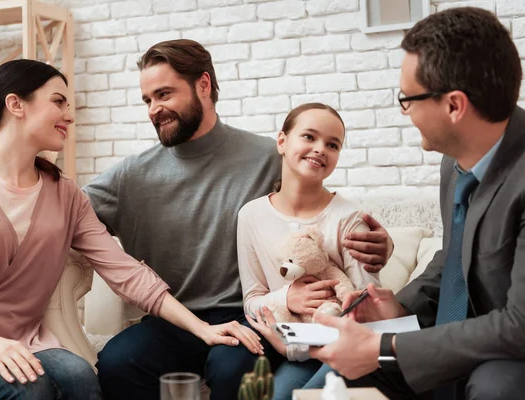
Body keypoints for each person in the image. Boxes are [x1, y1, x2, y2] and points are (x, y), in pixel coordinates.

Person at [0, 59, 263, 400]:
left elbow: (125, 271)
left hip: (23, 340)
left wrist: (201, 328)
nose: (70, 115)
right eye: (58, 102)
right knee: (30, 390)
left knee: (81, 378)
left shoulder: (65, 195)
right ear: (16, 105)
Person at [83, 39, 394, 400]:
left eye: (164, 94)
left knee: (233, 368)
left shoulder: (268, 156)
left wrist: (380, 244)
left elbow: (319, 214)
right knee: (118, 361)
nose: (154, 109)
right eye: (147, 100)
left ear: (203, 85)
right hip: (174, 320)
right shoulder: (130, 177)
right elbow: (64, 214)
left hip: (251, 315)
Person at [307, 7, 525, 400]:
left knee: (495, 387)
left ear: (454, 106)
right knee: (332, 381)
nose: (405, 112)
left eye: (407, 99)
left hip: (509, 351)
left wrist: (384, 347)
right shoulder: (455, 160)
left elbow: (519, 325)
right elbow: (457, 257)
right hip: (458, 339)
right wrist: (399, 308)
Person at [238, 102, 381, 399]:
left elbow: (368, 309)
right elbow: (252, 299)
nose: (320, 149)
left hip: (343, 348)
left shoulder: (350, 218)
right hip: (294, 349)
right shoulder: (250, 216)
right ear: (281, 141)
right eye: (309, 137)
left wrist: (295, 346)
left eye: (332, 144)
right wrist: (286, 298)